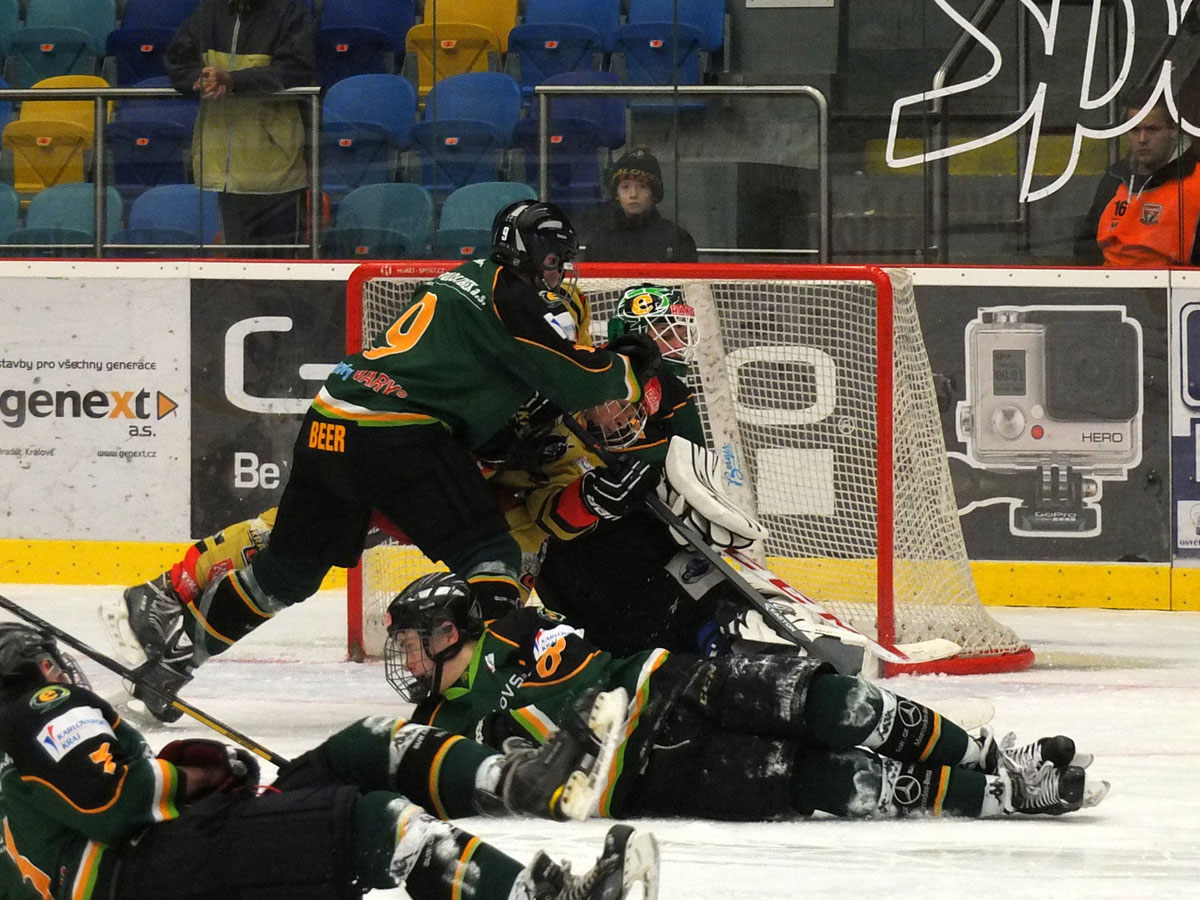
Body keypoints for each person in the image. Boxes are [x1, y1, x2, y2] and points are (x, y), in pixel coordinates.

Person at [102, 201, 663, 722]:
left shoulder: (470, 277)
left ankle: (174, 663)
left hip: (331, 417)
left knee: (288, 571)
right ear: (531, 253)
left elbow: (496, 378)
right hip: (396, 435)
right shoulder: (512, 299)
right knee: (491, 555)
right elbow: (575, 376)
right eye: (554, 259)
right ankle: (482, 703)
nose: (558, 271)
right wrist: (629, 365)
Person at [0, 621, 660, 900]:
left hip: (157, 867)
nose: (64, 672)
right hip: (144, 876)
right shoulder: (38, 708)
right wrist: (206, 772)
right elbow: (118, 804)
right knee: (372, 823)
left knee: (365, 745)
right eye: (52, 664)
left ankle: (522, 780)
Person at [384, 572, 1110, 822]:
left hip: (667, 678)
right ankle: (1001, 797)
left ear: (449, 632)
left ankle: (989, 757)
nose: (406, 659)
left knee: (843, 705)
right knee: (836, 781)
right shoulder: (440, 727)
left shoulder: (514, 626)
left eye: (412, 641)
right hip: (649, 773)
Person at [164, 0, 317, 256]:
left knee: (285, 269)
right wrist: (200, 78)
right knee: (237, 269)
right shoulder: (209, 11)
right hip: (226, 173)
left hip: (278, 172)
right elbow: (177, 61)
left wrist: (234, 81)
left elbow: (297, 70)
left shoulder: (290, 11)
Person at [1076, 85, 1200, 266]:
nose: (1142, 139)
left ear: (1173, 129)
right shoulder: (1115, 178)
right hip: (1108, 280)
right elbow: (1086, 248)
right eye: (1134, 130)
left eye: (1152, 129)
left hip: (1177, 282)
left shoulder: (1196, 182)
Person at [582, 148, 699, 263]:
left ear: (654, 193)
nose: (633, 194)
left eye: (642, 187)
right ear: (616, 194)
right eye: (625, 187)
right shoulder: (600, 242)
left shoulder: (677, 240)